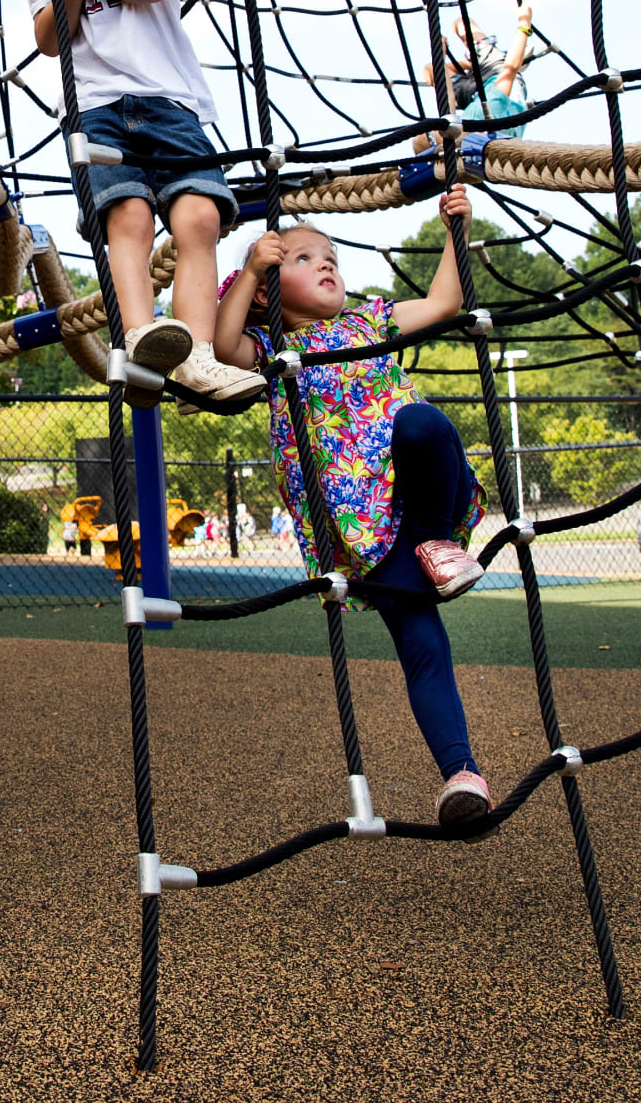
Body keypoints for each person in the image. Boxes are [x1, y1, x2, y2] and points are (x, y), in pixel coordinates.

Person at [215, 185, 494, 830]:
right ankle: (461, 774)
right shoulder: (274, 351)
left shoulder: (369, 323)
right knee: (421, 644)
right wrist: (255, 265)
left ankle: (437, 543)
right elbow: (223, 346)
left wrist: (456, 230)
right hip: (361, 529)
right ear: (265, 289)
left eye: (330, 254)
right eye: (303, 257)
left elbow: (446, 302)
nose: (325, 262)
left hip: (421, 492)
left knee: (421, 422)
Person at [22, 0, 264, 408]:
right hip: (95, 110)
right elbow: (51, 42)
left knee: (200, 219)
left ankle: (198, 358)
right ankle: (137, 338)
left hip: (171, 102)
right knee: (125, 217)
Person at [412, 8, 537, 153]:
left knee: (431, 70)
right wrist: (524, 23)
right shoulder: (490, 113)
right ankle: (481, 60)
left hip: (473, 98)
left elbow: (447, 97)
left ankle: (470, 65)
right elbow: (510, 69)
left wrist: (440, 56)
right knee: (462, 24)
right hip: (495, 73)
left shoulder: (452, 130)